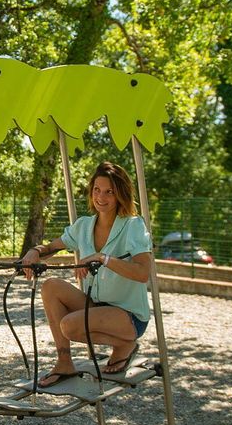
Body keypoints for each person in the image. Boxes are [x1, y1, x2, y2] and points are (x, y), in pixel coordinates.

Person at [18, 161, 151, 385]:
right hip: (97, 307)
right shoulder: (84, 225)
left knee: (69, 325)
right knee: (50, 286)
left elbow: (142, 273)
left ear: (120, 193)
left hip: (128, 317)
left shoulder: (133, 225)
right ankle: (64, 362)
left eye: (109, 191)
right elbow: (51, 247)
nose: (101, 197)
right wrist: (34, 252)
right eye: (97, 190)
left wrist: (102, 258)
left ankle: (125, 343)